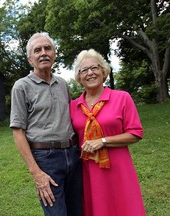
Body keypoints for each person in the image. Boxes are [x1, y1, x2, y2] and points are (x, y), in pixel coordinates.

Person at [10, 32, 82, 216]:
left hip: (74, 155)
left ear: (54, 55)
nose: (43, 53)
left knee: (78, 211)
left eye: (47, 48)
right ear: (30, 59)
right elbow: (18, 132)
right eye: (37, 50)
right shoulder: (21, 86)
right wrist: (36, 173)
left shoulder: (62, 83)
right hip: (46, 159)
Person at [70, 48, 146, 216]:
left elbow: (135, 133)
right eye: (84, 70)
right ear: (79, 78)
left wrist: (103, 141)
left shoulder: (122, 97)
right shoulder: (73, 106)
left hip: (118, 168)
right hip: (88, 170)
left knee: (124, 207)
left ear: (103, 71)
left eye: (95, 68)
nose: (90, 73)